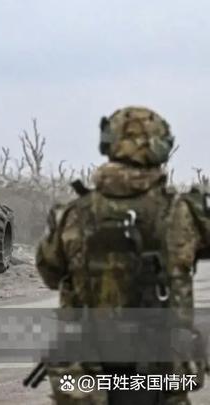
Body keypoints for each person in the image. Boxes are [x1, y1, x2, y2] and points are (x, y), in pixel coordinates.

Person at [35, 106, 203, 405]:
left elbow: (49, 272)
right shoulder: (181, 212)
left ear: (108, 144)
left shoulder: (73, 215)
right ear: (161, 148)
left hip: (86, 378)